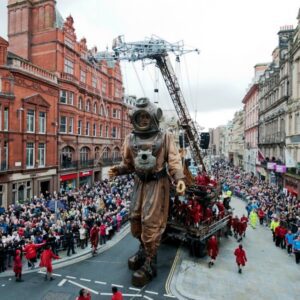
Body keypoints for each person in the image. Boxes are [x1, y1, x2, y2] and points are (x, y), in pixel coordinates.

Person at [108, 98, 186, 287]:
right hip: (139, 183)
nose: (143, 120)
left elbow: (174, 160)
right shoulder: (130, 139)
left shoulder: (164, 136)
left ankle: (150, 261)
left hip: (157, 183)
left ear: (153, 116)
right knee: (135, 219)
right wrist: (117, 170)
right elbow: (128, 164)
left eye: (146, 116)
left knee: (150, 222)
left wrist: (179, 178)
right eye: (139, 116)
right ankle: (143, 249)